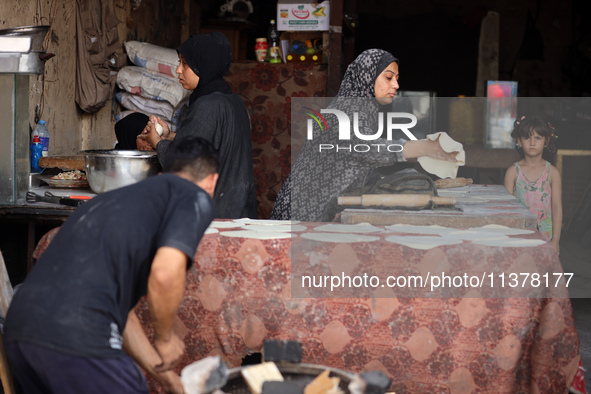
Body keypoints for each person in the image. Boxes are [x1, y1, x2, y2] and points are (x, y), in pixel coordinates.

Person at [4, 136, 219, 394]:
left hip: (22, 332)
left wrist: (164, 376)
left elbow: (121, 314)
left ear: (163, 172)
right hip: (78, 337)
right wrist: (165, 339)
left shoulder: (109, 202)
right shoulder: (194, 195)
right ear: (212, 181)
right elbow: (164, 273)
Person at [269, 48, 459, 222]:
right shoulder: (347, 109)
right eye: (388, 77)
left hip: (317, 210)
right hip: (301, 214)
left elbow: (358, 165)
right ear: (366, 77)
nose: (396, 84)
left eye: (397, 78)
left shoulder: (363, 110)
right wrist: (426, 147)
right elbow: (367, 149)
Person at [139, 32, 258, 219]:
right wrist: (170, 135)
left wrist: (157, 142)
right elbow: (211, 143)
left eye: (185, 64)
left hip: (218, 212)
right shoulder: (233, 100)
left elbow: (185, 161)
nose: (178, 70)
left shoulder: (208, 105)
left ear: (205, 65)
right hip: (240, 208)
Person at [504, 116, 562, 252]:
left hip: (545, 238)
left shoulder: (552, 173)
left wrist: (555, 240)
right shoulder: (513, 172)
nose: (532, 143)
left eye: (538, 138)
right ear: (519, 141)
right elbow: (506, 210)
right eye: (527, 138)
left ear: (546, 141)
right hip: (517, 238)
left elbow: (557, 207)